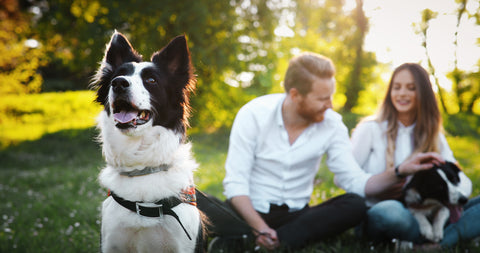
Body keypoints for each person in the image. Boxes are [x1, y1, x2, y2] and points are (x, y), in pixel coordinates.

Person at [350, 62, 480, 248]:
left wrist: (452, 194)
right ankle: (445, 241)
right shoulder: (370, 129)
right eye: (397, 87)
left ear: (424, 94)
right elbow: (345, 179)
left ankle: (426, 245)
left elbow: (459, 177)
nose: (402, 93)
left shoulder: (434, 135)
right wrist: (383, 183)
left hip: (430, 212)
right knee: (390, 213)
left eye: (411, 88)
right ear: (389, 92)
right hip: (385, 213)